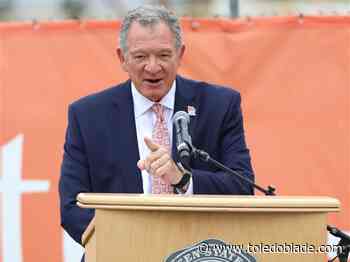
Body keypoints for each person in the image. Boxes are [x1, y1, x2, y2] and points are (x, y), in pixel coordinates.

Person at [59, 4, 254, 249]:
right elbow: (72, 205)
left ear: (180, 54)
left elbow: (242, 187)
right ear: (122, 58)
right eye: (140, 56)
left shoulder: (219, 105)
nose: (152, 67)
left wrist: (183, 180)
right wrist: (134, 243)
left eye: (163, 55)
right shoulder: (87, 116)